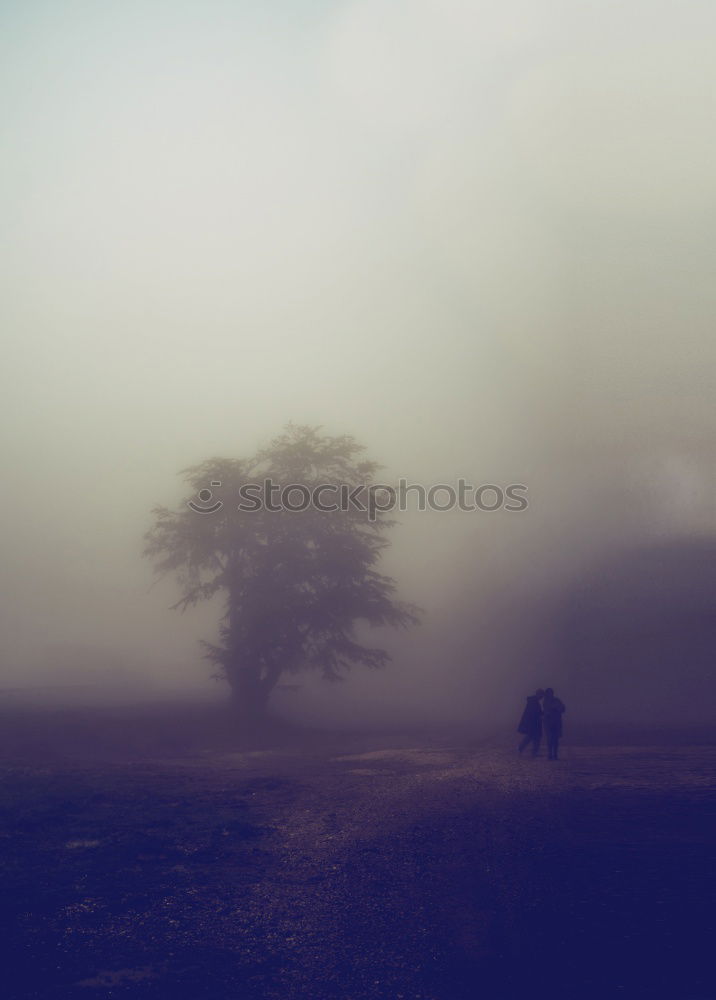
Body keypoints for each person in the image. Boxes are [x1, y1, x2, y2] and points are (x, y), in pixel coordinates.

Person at [517, 689, 544, 756]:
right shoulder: (534, 702)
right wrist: (540, 716)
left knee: (530, 737)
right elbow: (534, 713)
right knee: (535, 738)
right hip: (534, 723)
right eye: (541, 695)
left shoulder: (533, 701)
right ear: (538, 694)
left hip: (532, 723)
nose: (542, 697)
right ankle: (533, 752)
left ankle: (521, 748)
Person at [542, 687, 566, 760]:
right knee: (550, 739)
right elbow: (548, 711)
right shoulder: (546, 701)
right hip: (549, 723)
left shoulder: (556, 700)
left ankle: (554, 754)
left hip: (555, 723)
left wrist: (558, 708)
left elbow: (562, 709)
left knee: (555, 739)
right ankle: (550, 754)